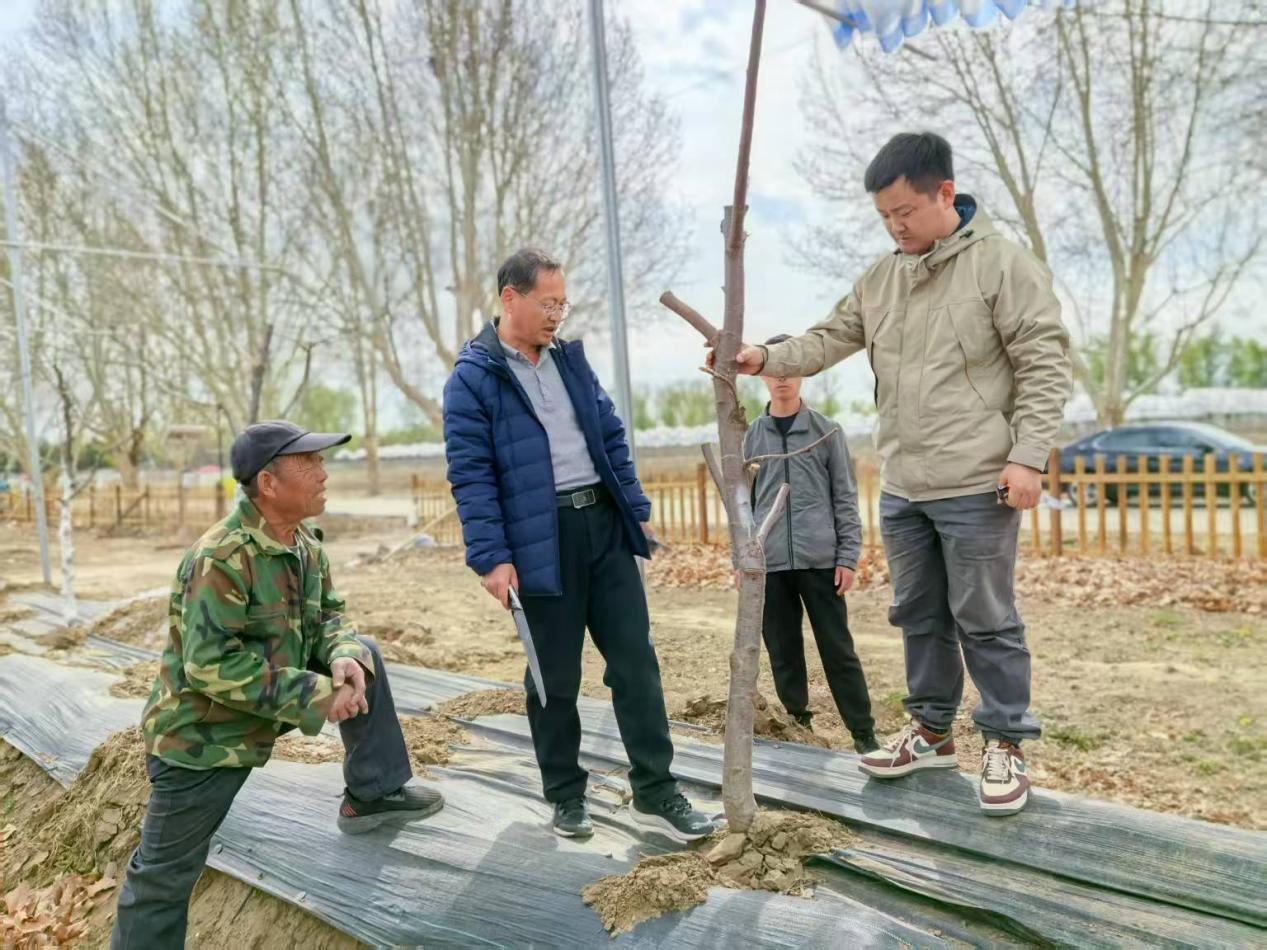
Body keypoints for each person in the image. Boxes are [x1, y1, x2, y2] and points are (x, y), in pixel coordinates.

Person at [711, 133, 1072, 816]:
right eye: (883, 216)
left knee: (985, 617)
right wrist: (764, 356)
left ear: (945, 193)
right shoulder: (882, 279)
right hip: (905, 484)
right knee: (918, 614)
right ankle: (932, 731)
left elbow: (1044, 361)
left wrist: (1028, 455)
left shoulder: (1001, 265)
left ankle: (1004, 741)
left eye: (904, 211)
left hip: (975, 480)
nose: (894, 226)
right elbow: (829, 337)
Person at [112, 421, 442, 949]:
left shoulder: (305, 544)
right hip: (204, 737)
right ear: (268, 483)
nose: (323, 473)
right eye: (309, 463)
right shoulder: (220, 557)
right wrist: (317, 695)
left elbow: (329, 615)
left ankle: (373, 794)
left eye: (321, 461)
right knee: (162, 877)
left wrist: (342, 655)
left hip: (264, 703)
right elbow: (209, 666)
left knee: (365, 654)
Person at [443, 248, 714, 843]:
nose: (557, 315)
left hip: (604, 531)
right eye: (548, 303)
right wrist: (491, 557)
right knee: (555, 679)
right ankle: (566, 794)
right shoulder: (473, 379)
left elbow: (610, 435)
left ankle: (655, 792)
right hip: (540, 543)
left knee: (637, 665)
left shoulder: (570, 361)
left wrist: (635, 510)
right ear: (510, 298)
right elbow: (471, 476)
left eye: (562, 305)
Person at [745, 335, 878, 753]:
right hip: (770, 563)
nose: (782, 378)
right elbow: (740, 506)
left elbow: (845, 497)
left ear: (803, 373)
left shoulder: (827, 432)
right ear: (762, 376)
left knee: (838, 649)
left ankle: (864, 735)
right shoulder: (749, 437)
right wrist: (745, 559)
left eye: (790, 369)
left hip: (821, 561)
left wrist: (848, 558)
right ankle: (798, 725)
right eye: (774, 370)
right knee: (782, 648)